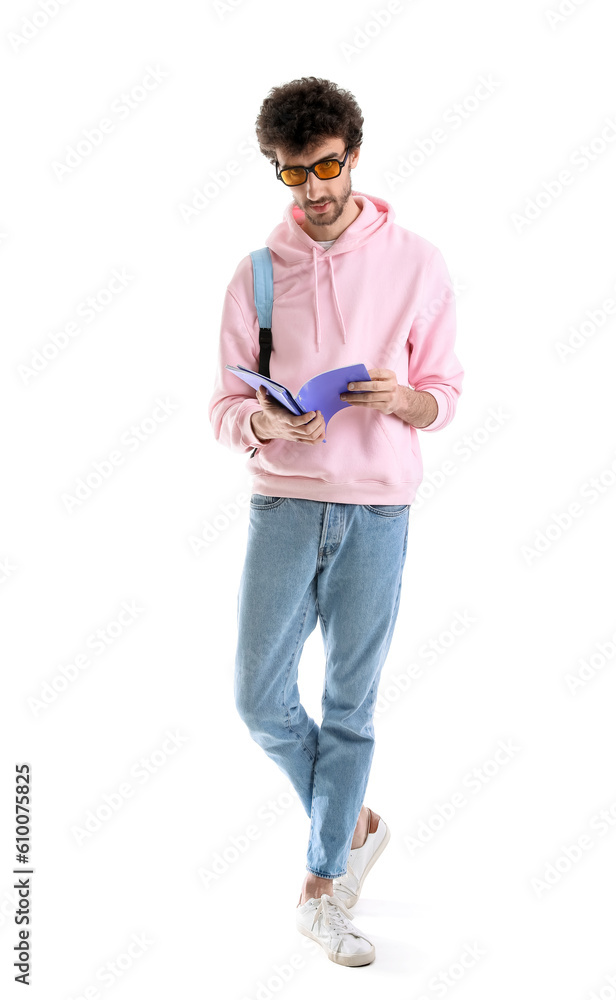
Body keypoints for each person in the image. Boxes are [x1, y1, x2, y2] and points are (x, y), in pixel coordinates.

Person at [208, 77, 464, 968]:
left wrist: (405, 400)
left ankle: (324, 887)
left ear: (352, 155)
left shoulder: (418, 262)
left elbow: (448, 394)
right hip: (281, 502)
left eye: (326, 168)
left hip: (378, 511)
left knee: (350, 708)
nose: (313, 191)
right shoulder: (259, 274)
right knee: (257, 698)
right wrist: (266, 421)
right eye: (292, 175)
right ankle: (351, 818)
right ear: (275, 171)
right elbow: (223, 405)